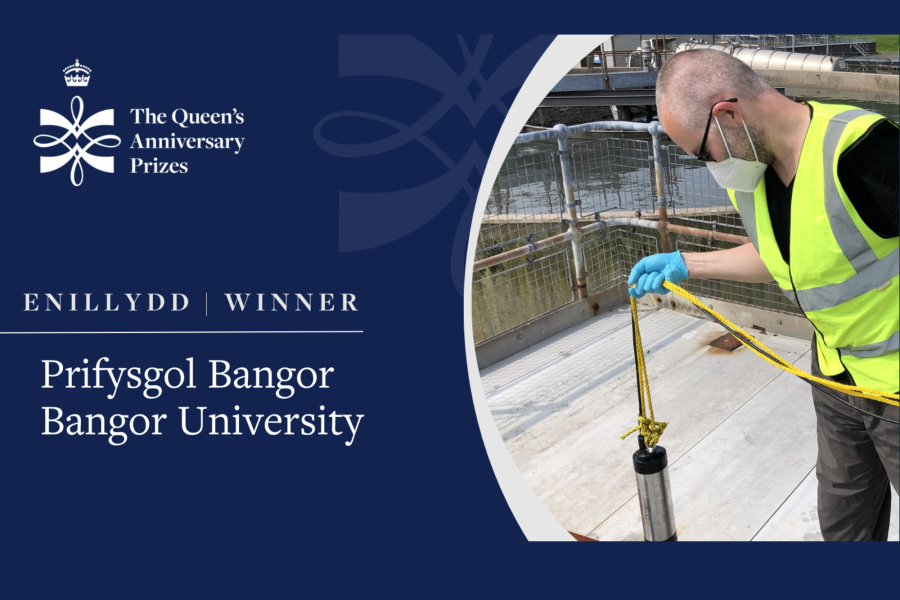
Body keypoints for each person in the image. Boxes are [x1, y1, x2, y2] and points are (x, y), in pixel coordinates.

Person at [629, 49, 899, 541]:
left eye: (701, 153)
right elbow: (785, 257)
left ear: (728, 115)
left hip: (895, 384)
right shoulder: (752, 173)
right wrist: (687, 263)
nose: (708, 166)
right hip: (836, 377)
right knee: (844, 523)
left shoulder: (865, 153)